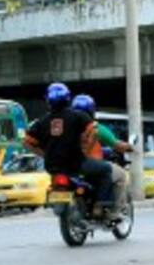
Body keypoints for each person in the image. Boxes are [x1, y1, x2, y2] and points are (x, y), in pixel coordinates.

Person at [24, 83, 114, 213]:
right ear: (68, 98)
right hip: (76, 164)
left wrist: (44, 154)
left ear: (48, 100)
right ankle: (100, 206)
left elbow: (27, 142)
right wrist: (86, 150)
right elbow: (93, 132)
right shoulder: (79, 116)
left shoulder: (41, 121)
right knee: (106, 170)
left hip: (53, 167)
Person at [72, 94, 133, 216]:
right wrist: (129, 146)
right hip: (90, 166)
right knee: (121, 176)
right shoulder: (95, 127)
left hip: (69, 166)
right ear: (91, 111)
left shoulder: (66, 127)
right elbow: (117, 145)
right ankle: (111, 211)